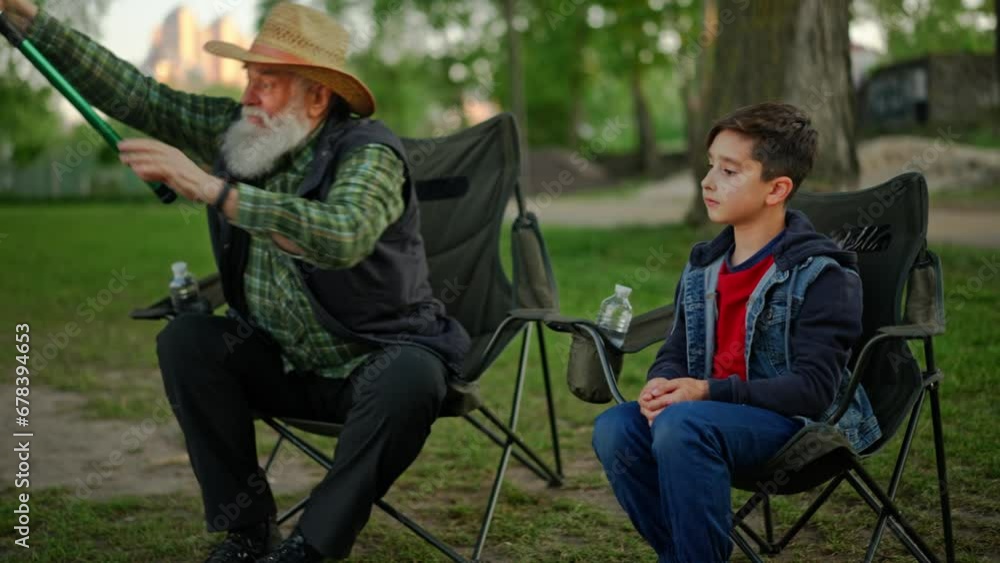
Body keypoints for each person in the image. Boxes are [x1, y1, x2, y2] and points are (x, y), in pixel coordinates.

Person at [0, 1, 470, 561]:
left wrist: (211, 189)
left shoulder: (369, 153)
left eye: (266, 83)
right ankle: (246, 533)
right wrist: (28, 19)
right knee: (187, 340)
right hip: (278, 360)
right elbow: (137, 95)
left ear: (318, 97)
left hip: (371, 363)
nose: (248, 97)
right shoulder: (241, 132)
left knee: (413, 376)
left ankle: (312, 547)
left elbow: (342, 234)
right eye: (249, 79)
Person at [591, 102, 881, 562]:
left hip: (799, 428)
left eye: (729, 171)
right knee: (615, 428)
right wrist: (661, 382)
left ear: (777, 189)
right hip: (705, 420)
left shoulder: (821, 275)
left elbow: (812, 390)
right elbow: (676, 349)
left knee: (683, 424)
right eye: (710, 166)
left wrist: (705, 392)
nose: (707, 182)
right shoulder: (704, 265)